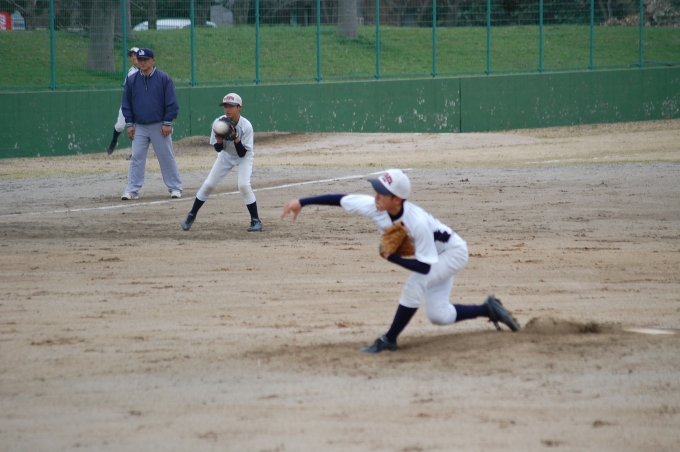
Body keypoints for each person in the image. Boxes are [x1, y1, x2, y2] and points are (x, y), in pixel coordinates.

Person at [281, 169, 520, 354]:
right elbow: (341, 199)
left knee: (415, 284)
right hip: (433, 255)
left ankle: (389, 340)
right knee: (439, 315)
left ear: (396, 199)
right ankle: (488, 309)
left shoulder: (417, 223)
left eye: (381, 192)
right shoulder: (376, 206)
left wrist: (392, 258)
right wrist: (302, 202)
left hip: (452, 253)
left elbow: (424, 267)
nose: (375, 195)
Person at [180, 93, 262, 232]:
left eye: (231, 106)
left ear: (239, 107)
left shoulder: (246, 126)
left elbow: (242, 153)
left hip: (243, 156)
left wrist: (236, 138)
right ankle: (191, 215)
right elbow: (218, 149)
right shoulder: (219, 123)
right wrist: (219, 141)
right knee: (208, 184)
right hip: (225, 155)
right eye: (225, 106)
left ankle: (256, 220)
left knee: (243, 185)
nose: (227, 109)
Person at [120, 48, 183, 200]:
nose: (142, 62)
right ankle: (132, 190)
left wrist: (167, 122)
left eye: (146, 60)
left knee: (166, 156)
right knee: (136, 157)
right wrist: (130, 124)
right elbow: (127, 103)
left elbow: (171, 102)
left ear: (153, 61)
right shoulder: (132, 80)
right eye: (140, 60)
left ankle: (175, 188)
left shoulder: (163, 78)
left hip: (159, 126)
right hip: (139, 126)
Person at [107, 47, 140, 157]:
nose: (133, 57)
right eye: (132, 56)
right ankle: (114, 140)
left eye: (135, 55)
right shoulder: (132, 72)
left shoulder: (146, 70)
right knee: (120, 126)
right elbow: (127, 90)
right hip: (128, 104)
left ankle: (134, 153)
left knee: (138, 128)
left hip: (139, 105)